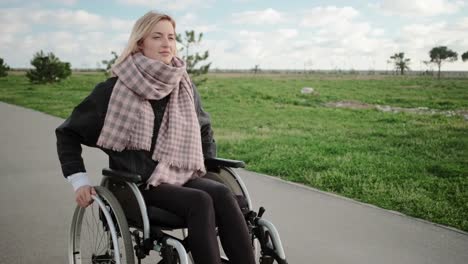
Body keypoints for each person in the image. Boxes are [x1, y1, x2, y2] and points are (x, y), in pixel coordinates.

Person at [55, 11, 255, 264]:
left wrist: (208, 165)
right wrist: (79, 181)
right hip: (137, 183)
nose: (166, 44)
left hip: (180, 175)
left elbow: (204, 127)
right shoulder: (113, 89)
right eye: (157, 37)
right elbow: (67, 133)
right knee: (201, 200)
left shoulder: (182, 85)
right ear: (140, 43)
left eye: (171, 37)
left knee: (223, 193)